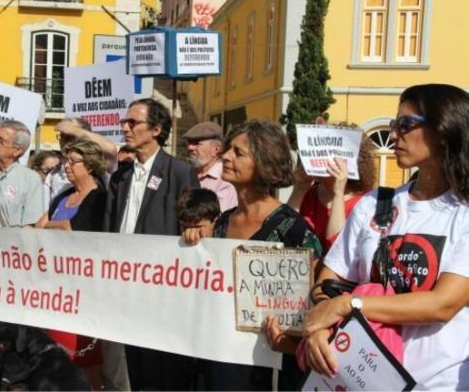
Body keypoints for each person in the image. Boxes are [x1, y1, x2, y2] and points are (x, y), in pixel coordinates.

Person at [303, 84, 469, 390]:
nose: (393, 135)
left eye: (405, 124)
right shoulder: (375, 203)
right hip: (359, 377)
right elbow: (329, 277)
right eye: (394, 125)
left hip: (438, 383)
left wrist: (347, 305)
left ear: (445, 130)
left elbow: (443, 304)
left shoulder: (464, 214)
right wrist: (318, 330)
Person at [183, 119, 322, 391]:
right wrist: (196, 244)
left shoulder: (292, 229)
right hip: (220, 360)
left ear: (263, 163)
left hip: (266, 370)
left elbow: (314, 302)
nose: (225, 156)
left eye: (238, 152)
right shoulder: (222, 222)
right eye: (228, 150)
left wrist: (292, 343)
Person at [104, 98, 200, 391]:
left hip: (162, 289)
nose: (125, 128)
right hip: (125, 285)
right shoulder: (121, 176)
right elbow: (110, 227)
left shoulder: (180, 173)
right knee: (137, 368)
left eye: (133, 123)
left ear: (156, 129)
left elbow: (194, 223)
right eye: (124, 122)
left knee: (164, 372)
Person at [35, 137, 107, 390]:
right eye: (66, 160)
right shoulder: (64, 194)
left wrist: (57, 227)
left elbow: (74, 231)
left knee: (85, 356)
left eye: (73, 161)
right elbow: (40, 226)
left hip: (84, 287)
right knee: (56, 355)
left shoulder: (99, 196)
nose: (67, 166)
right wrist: (58, 227)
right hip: (54, 284)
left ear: (90, 165)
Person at [288, 134, 375, 251]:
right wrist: (298, 190)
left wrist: (338, 193)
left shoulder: (366, 200)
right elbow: (285, 231)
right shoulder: (309, 194)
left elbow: (337, 248)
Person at [0, 120, 46, 227]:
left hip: (12, 243)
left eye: (1, 140)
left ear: (17, 151)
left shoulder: (30, 179)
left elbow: (31, 226)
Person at [183, 121, 237, 212]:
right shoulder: (185, 173)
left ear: (216, 149)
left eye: (197, 143)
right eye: (189, 142)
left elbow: (215, 219)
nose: (190, 147)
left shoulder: (225, 179)